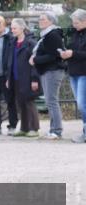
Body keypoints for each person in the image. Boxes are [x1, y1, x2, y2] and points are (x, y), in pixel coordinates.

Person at [31, 12, 66, 140]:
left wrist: (35, 60)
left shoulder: (53, 35)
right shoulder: (46, 35)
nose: (40, 21)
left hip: (53, 70)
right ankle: (53, 129)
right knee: (50, 101)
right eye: (39, 18)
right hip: (47, 70)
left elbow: (54, 55)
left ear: (51, 21)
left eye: (43, 19)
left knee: (52, 101)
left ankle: (57, 130)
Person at [9, 18, 41, 138]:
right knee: (20, 102)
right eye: (11, 28)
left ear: (22, 28)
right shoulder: (13, 42)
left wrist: (34, 79)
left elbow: (35, 63)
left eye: (14, 28)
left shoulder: (30, 43)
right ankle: (24, 127)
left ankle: (34, 128)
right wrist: (8, 78)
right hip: (16, 77)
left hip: (27, 77)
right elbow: (10, 61)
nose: (12, 30)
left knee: (29, 102)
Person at [59, 9, 86, 144]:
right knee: (81, 104)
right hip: (73, 72)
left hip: (84, 73)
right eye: (73, 22)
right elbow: (71, 50)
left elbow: (79, 53)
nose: (74, 24)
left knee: (82, 104)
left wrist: (73, 54)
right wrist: (65, 54)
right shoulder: (75, 34)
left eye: (76, 22)